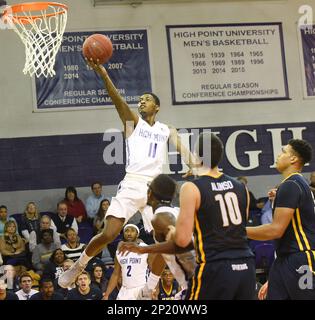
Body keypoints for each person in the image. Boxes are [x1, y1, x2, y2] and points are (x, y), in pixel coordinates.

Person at [58, 59, 198, 289]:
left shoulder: (166, 129)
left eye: (147, 99)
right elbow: (118, 101)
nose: (142, 102)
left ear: (157, 107)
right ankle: (79, 265)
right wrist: (103, 74)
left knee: (164, 240)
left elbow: (184, 150)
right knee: (109, 234)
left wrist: (194, 164)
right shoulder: (133, 124)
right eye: (140, 100)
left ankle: (149, 286)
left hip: (156, 189)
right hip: (133, 183)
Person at [172, 132, 256, 300]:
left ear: (197, 156)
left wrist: (168, 230)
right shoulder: (241, 187)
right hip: (246, 265)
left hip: (215, 266)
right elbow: (241, 226)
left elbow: (182, 240)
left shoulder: (191, 188)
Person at [247, 139, 315, 300]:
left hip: (300, 258)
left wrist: (235, 231)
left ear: (293, 159)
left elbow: (275, 230)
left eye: (284, 151)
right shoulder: (294, 185)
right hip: (283, 260)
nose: (278, 155)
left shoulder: (292, 185)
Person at [119, 174, 196, 299]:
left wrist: (142, 249)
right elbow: (164, 253)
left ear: (150, 193)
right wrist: (149, 287)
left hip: (198, 283)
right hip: (199, 280)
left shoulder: (160, 218)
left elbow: (179, 242)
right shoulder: (175, 211)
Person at [103, 224, 150, 300]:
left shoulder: (145, 248)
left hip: (141, 288)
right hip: (125, 290)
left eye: (132, 231)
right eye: (126, 231)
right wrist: (107, 294)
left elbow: (154, 271)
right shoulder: (119, 251)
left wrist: (154, 288)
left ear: (137, 234)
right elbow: (116, 274)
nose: (129, 233)